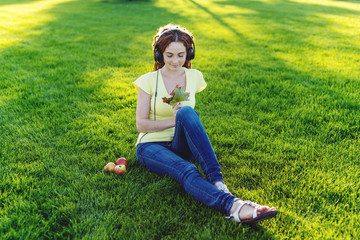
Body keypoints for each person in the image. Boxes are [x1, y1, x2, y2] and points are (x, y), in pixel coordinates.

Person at [133, 23, 278, 224]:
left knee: (186, 112)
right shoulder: (148, 81)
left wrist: (180, 116)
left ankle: (218, 182)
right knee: (187, 170)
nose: (176, 61)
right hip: (151, 146)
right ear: (159, 55)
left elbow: (184, 117)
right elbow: (141, 125)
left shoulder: (194, 76)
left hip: (179, 143)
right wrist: (172, 120)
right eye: (169, 55)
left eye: (181, 55)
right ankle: (233, 206)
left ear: (189, 53)